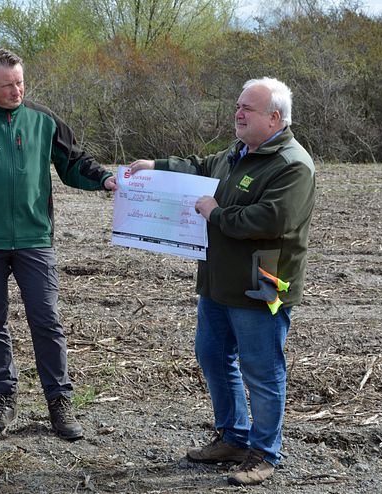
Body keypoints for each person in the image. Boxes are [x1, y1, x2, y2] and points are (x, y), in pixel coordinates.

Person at [129, 77, 315, 486]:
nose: (239, 112)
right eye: (238, 105)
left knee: (262, 371)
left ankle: (264, 453)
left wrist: (215, 213)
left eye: (248, 108)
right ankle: (233, 437)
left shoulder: (292, 165)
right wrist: (155, 166)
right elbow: (198, 167)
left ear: (274, 117)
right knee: (213, 357)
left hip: (262, 282)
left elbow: (270, 220)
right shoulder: (236, 154)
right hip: (217, 280)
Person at [0, 48, 117, 441]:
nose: (16, 90)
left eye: (20, 82)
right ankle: (3, 400)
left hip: (36, 240)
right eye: (6, 85)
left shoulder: (43, 119)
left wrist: (104, 179)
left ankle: (60, 404)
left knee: (47, 321)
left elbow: (73, 163)